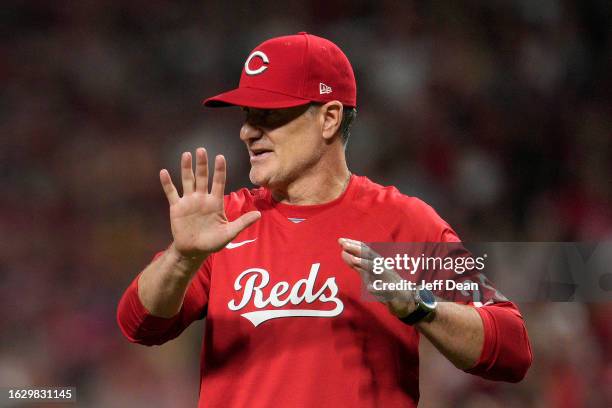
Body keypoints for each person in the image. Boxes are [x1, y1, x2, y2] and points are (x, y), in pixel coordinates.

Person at [117, 32, 532, 407]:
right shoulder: (227, 222)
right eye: (247, 115)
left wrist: (420, 308)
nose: (247, 131)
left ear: (329, 118)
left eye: (270, 114)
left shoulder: (401, 223)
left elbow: (512, 349)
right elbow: (139, 324)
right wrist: (182, 258)